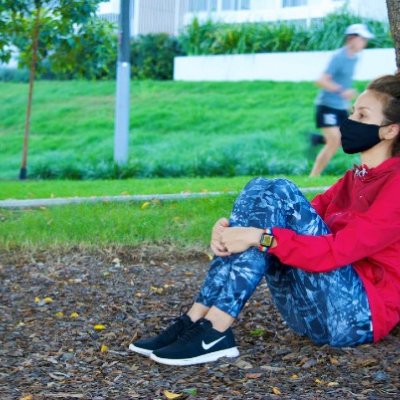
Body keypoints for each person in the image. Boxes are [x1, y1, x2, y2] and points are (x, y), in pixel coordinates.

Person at [129, 73, 400, 366]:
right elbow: (287, 217)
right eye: (352, 112)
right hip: (314, 309)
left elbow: (336, 251)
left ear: (389, 130)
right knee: (261, 188)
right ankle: (196, 319)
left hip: (355, 318)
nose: (349, 120)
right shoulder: (353, 179)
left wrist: (257, 237)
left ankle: (216, 329)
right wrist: (231, 230)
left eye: (362, 114)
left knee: (279, 192)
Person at [309, 23, 374, 177]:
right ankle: (313, 177)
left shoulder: (354, 58)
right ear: (351, 39)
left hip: (340, 107)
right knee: (334, 141)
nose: (364, 42)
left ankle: (317, 139)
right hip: (327, 106)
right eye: (362, 39)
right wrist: (341, 91)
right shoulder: (339, 57)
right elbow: (321, 80)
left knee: (350, 139)